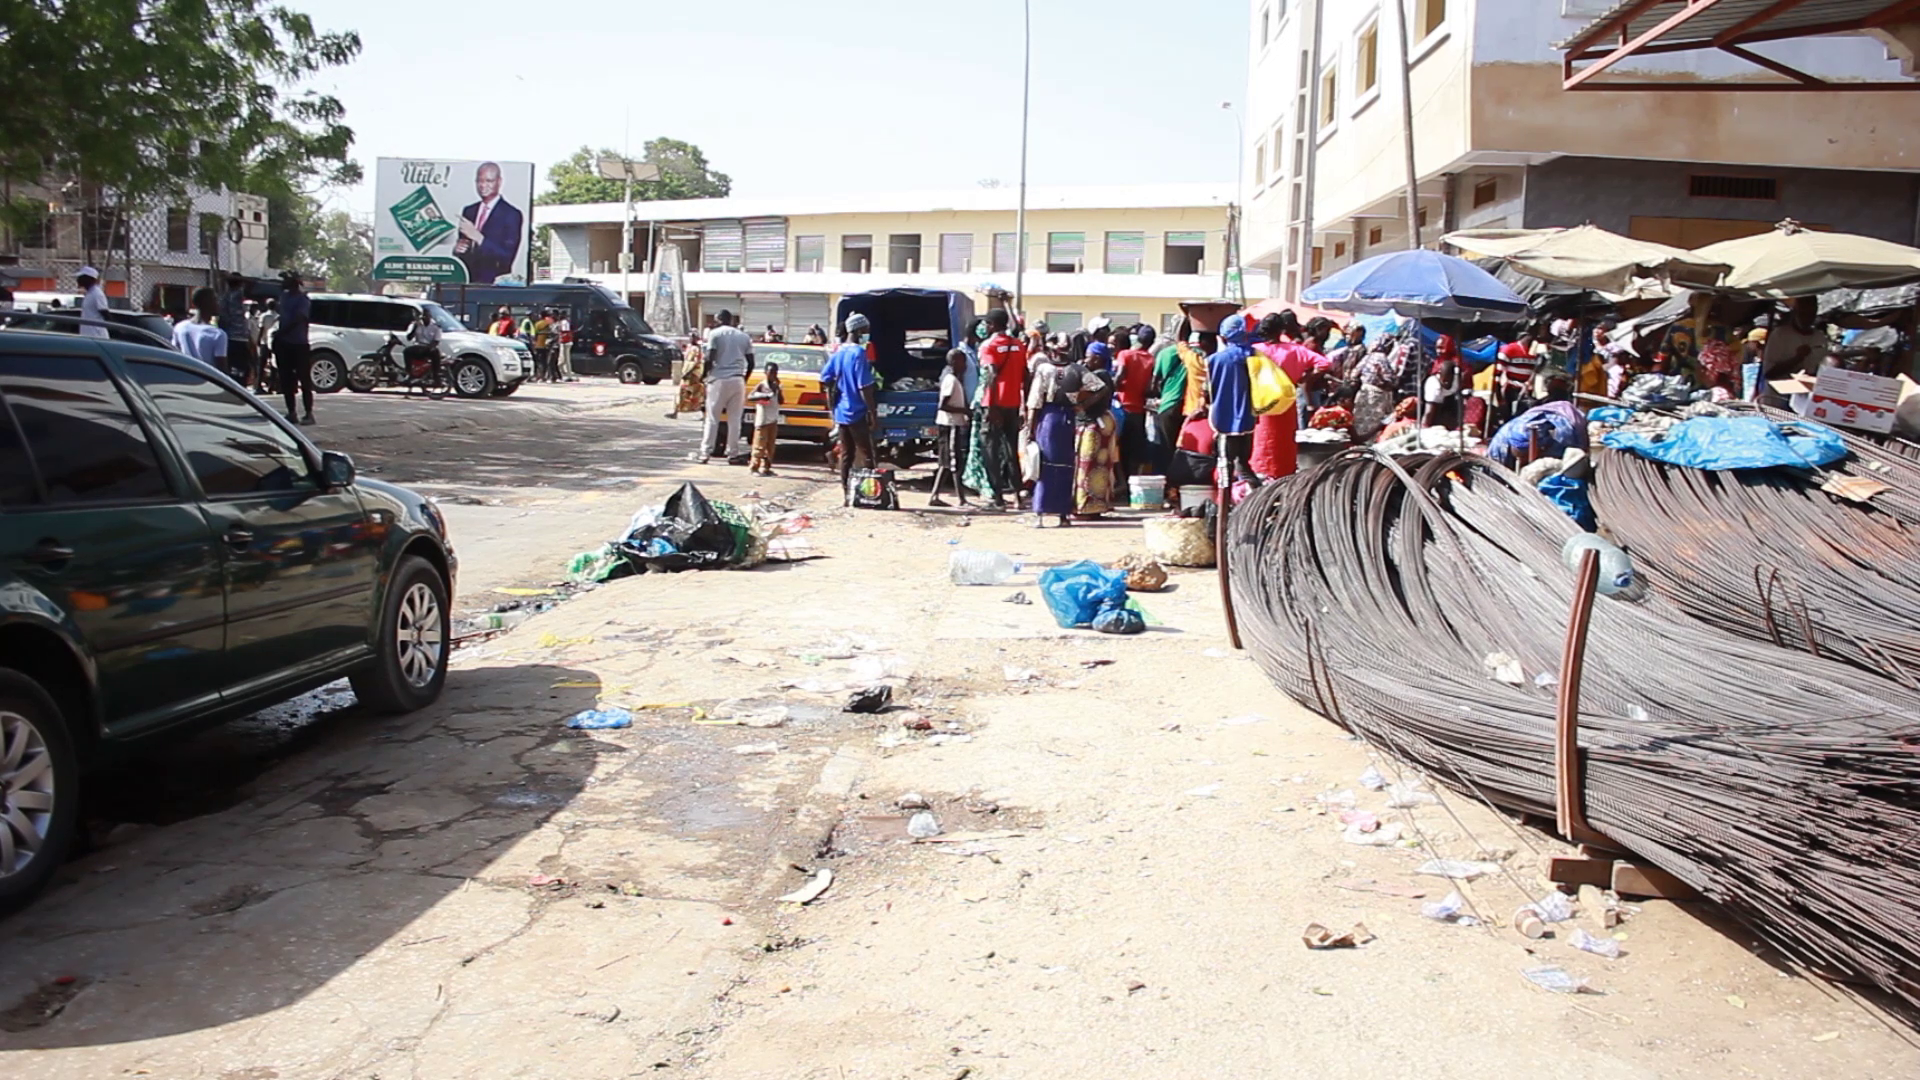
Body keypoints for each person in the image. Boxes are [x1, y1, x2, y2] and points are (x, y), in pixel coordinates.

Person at [820, 313, 879, 502]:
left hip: (841, 411)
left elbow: (825, 378)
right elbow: (864, 387)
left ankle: (846, 493)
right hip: (857, 411)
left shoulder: (838, 353)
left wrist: (835, 397)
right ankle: (871, 493)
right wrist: (872, 412)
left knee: (847, 454)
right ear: (859, 330)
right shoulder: (858, 353)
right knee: (867, 454)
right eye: (866, 330)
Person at [977, 307, 1028, 510]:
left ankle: (997, 498)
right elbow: (1025, 375)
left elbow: (991, 374)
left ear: (991, 325)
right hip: (1013, 403)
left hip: (993, 404)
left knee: (990, 450)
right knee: (1011, 450)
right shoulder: (1018, 345)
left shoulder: (988, 346)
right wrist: (1025, 406)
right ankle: (1017, 496)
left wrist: (991, 406)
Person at [1025, 341, 1080, 527]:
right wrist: (1080, 406)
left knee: (1044, 467)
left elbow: (1035, 400)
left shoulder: (1044, 369)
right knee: (1066, 467)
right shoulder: (1076, 370)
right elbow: (1099, 388)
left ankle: (1040, 514)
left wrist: (1030, 429)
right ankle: (1063, 516)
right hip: (1068, 420)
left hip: (1049, 420)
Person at [1206, 315, 1259, 488]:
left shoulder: (1214, 360)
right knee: (1243, 462)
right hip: (1249, 419)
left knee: (1225, 464)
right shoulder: (1255, 357)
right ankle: (1258, 494)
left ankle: (1225, 501)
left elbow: (1208, 391)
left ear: (1223, 337)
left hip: (1223, 419)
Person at [696, 310, 754, 464]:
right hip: (737, 380)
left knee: (712, 418)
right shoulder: (744, 336)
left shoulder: (715, 334)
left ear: (719, 320)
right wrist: (744, 378)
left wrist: (704, 376)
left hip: (718, 379)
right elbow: (751, 363)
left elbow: (709, 358)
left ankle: (705, 452)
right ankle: (733, 454)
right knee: (735, 420)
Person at [455, 161, 523, 284]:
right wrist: (459, 249)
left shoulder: (511, 214)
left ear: (499, 182)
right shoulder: (469, 211)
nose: (483, 185)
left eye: (489, 181)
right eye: (479, 181)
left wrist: (478, 238)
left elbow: (507, 257)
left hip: (494, 285)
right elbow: (466, 250)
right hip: (467, 283)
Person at [1074, 342, 1120, 518]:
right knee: (1094, 466)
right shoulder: (1101, 374)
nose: (1085, 359)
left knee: (1090, 467)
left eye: (1089, 356)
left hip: (1094, 426)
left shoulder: (1100, 376)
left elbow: (1083, 401)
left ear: (1098, 358)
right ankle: (1091, 506)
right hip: (1097, 424)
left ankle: (1089, 507)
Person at [930, 348, 973, 509]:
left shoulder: (954, 379)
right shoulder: (951, 380)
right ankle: (961, 499)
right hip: (950, 424)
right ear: (955, 362)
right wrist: (965, 411)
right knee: (954, 462)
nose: (965, 365)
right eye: (963, 361)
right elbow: (943, 405)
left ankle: (935, 495)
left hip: (951, 423)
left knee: (945, 462)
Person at [1112, 326, 1155, 478]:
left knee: (1119, 448)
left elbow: (1119, 376)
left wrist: (1116, 387)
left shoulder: (1125, 354)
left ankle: (1120, 482)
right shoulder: (1151, 359)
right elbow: (1150, 387)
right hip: (1139, 410)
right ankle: (1132, 481)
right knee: (1134, 451)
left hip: (1122, 408)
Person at [274, 271, 314, 424]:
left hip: (299, 344)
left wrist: (281, 332)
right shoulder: (284, 297)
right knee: (286, 380)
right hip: (284, 344)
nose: (283, 282)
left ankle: (309, 413)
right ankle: (292, 412)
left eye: (286, 280)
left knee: (304, 380)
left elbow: (298, 319)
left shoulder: (303, 300)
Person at [172, 287, 228, 371]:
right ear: (208, 303)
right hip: (206, 377)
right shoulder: (217, 335)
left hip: (184, 375)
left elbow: (174, 354)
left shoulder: (180, 327)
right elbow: (222, 370)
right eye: (215, 300)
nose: (218, 303)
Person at [747, 363, 782, 476]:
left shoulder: (776, 386)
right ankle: (754, 467)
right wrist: (763, 396)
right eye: (770, 372)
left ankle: (766, 467)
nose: (772, 375)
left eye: (775, 373)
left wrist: (778, 389)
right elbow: (750, 397)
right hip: (762, 419)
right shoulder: (762, 385)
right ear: (765, 372)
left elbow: (781, 400)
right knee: (760, 444)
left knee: (770, 445)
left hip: (773, 418)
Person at [1423, 337, 1465, 430]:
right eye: (1437, 348)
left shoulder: (1454, 364)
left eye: (1442, 348)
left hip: (1448, 400)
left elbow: (1449, 385)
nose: (1438, 351)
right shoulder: (1437, 362)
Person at [219, 273, 253, 385]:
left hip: (230, 337)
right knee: (241, 369)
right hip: (238, 338)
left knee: (233, 368)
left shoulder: (224, 298)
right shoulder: (236, 296)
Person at [405, 306, 444, 385]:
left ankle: (436, 376)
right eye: (423, 316)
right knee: (406, 351)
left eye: (427, 316)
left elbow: (436, 341)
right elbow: (409, 338)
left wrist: (429, 348)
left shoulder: (436, 327)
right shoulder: (416, 325)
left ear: (430, 317)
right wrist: (415, 327)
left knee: (436, 353)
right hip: (418, 347)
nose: (425, 318)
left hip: (428, 348)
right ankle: (409, 373)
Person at [671, 331, 705, 420]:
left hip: (693, 374)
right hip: (687, 372)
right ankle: (676, 411)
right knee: (683, 392)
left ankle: (702, 413)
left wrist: (688, 373)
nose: (691, 338)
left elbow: (695, 362)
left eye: (693, 337)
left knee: (696, 394)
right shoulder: (689, 347)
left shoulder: (696, 349)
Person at [77, 266, 110, 339]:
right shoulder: (89, 293)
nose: (78, 280)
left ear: (88, 279)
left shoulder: (97, 294)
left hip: (96, 336)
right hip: (87, 335)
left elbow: (105, 313)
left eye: (81, 278)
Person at [532, 309, 555, 381]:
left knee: (539, 361)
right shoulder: (549, 323)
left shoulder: (537, 324)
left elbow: (534, 335)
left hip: (538, 345)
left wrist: (534, 343)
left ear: (540, 316)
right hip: (547, 345)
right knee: (546, 361)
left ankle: (540, 376)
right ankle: (546, 375)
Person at [555, 310, 575, 380]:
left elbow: (564, 332)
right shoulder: (565, 322)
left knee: (565, 359)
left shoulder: (564, 322)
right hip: (567, 342)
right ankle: (565, 373)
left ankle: (566, 374)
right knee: (565, 359)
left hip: (565, 342)